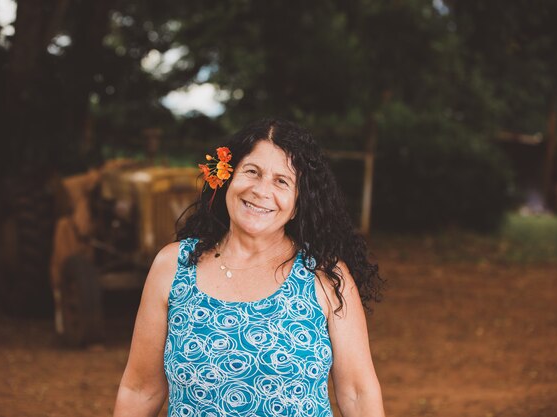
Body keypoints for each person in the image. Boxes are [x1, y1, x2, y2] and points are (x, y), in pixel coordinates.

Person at [113, 118, 386, 416]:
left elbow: (358, 393)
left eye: (281, 181)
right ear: (226, 178)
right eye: (252, 172)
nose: (260, 190)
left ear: (298, 203)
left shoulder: (325, 277)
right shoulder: (173, 267)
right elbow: (140, 390)